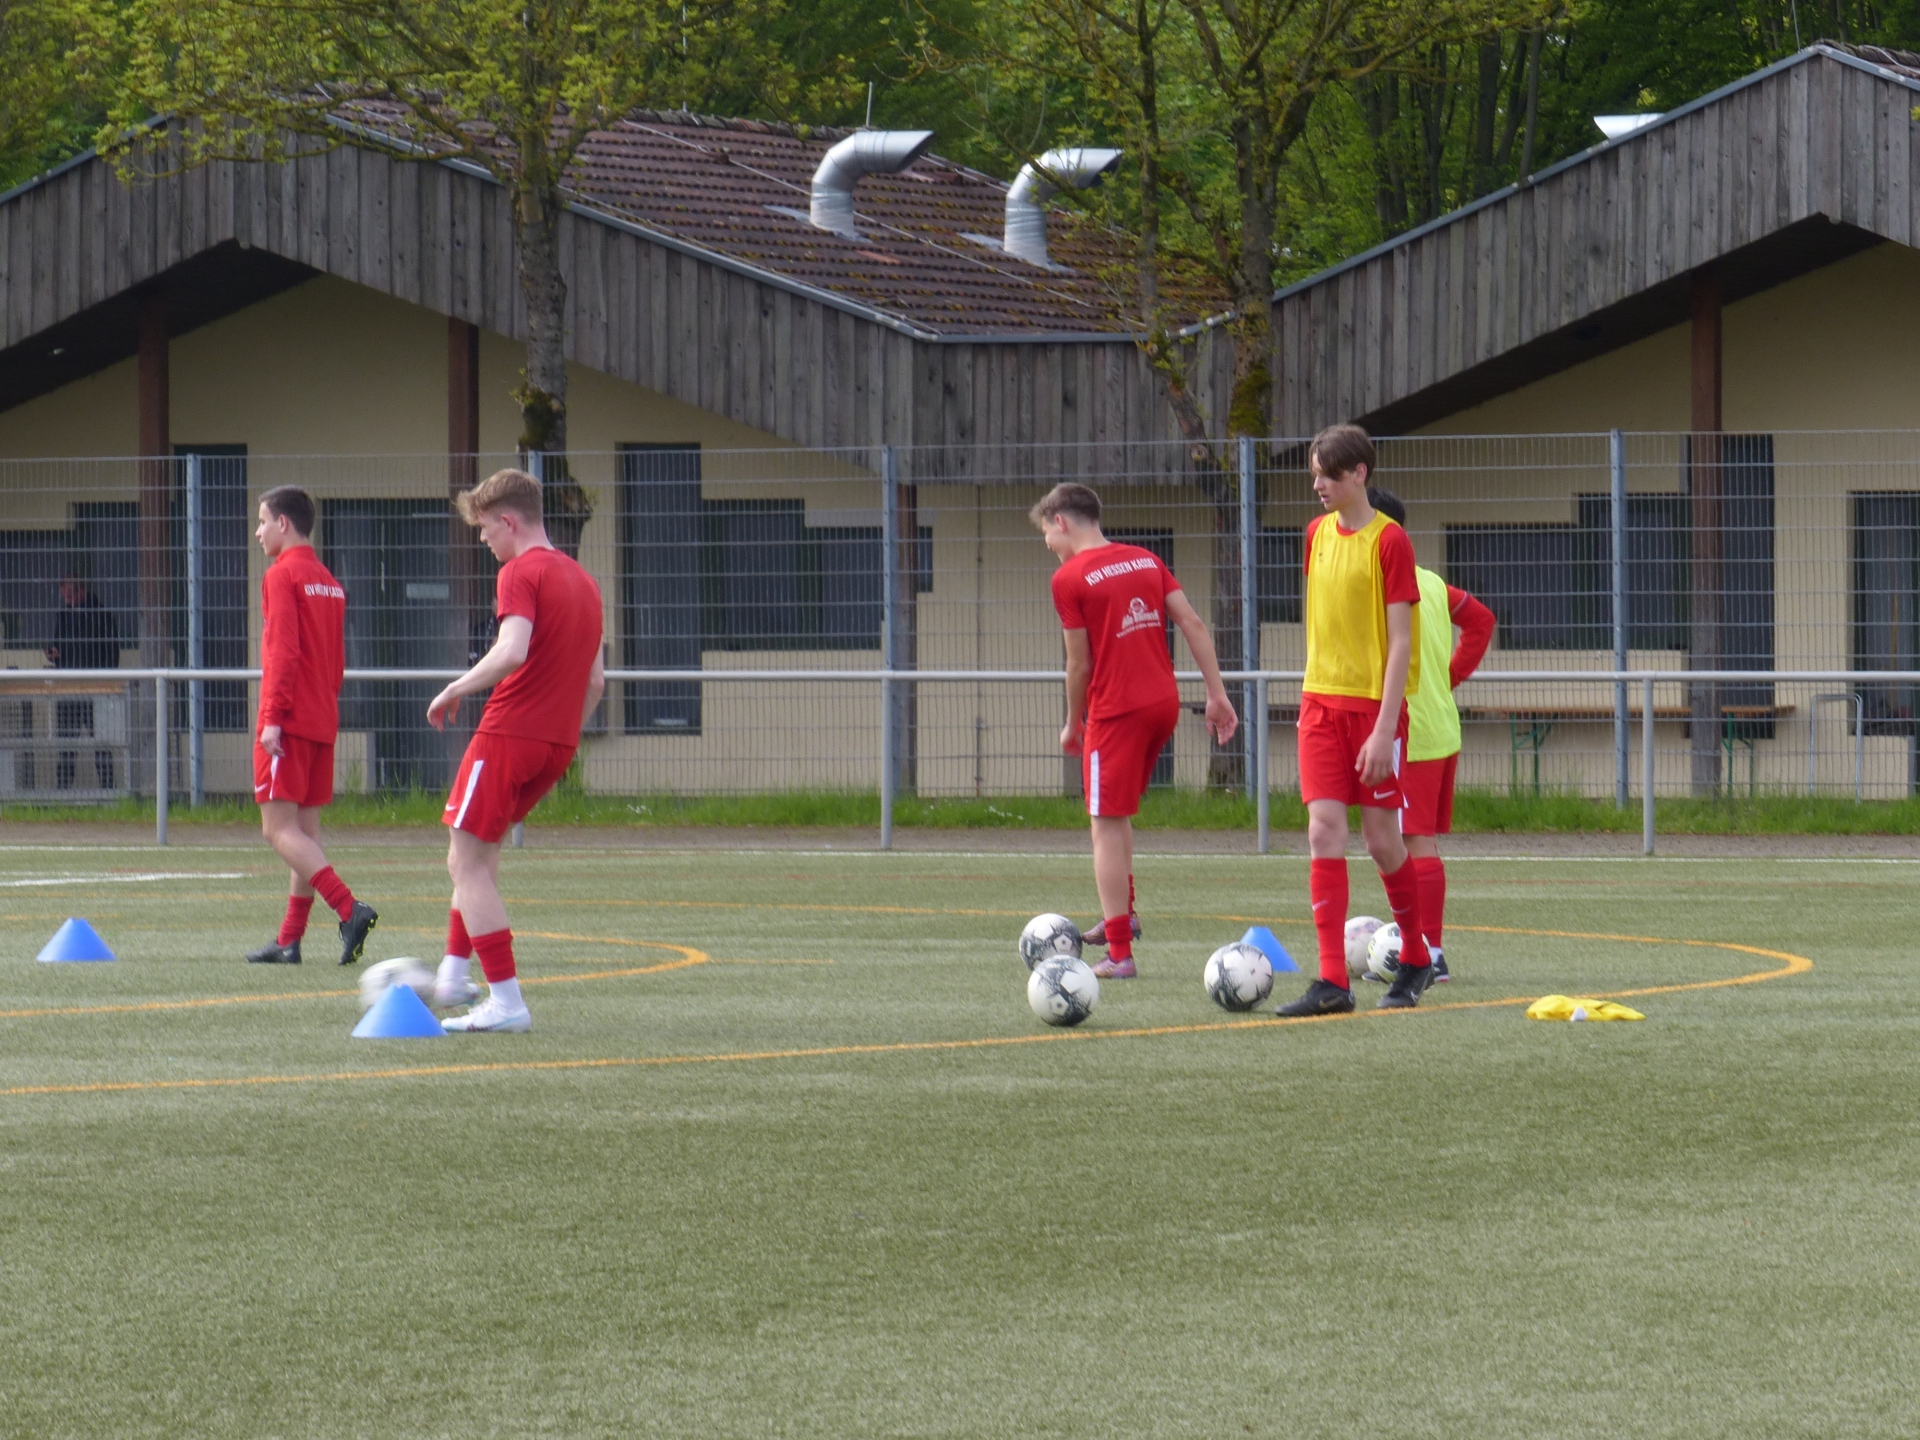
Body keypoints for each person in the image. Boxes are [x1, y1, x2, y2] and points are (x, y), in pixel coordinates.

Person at [1033, 482, 1238, 980]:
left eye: (1046, 534)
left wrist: (1074, 722)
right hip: (1162, 703)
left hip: (1117, 711)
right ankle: (1122, 915)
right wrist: (1216, 694)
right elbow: (1192, 623)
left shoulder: (1069, 577)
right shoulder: (1145, 559)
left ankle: (1120, 953)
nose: (1048, 545)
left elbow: (1078, 664)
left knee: (1103, 823)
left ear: (1061, 521)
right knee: (1117, 813)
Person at [429, 468, 604, 1033]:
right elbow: (596, 681)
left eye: (485, 528)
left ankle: (505, 1002)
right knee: (479, 858)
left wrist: (455, 687)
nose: (483, 540)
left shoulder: (520, 572)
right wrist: (561, 733)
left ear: (508, 521)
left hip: (508, 735)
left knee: (464, 861)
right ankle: (453, 975)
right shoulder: (585, 581)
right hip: (555, 745)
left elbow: (511, 650)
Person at [1276, 424, 1434, 1016]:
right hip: (1319, 704)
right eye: (1314, 475)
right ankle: (1332, 981)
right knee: (1323, 831)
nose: (1318, 485)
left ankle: (1416, 955)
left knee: (1382, 841)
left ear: (1359, 474)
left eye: (1329, 475)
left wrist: (1384, 728)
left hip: (1374, 711)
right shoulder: (1315, 534)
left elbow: (1401, 642)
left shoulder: (1391, 541)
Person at [1365, 488, 1494, 984]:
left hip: (1411, 733)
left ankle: (1430, 953)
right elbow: (1481, 620)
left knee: (1414, 840)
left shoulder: (1383, 586)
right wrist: (1449, 676)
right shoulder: (1433, 583)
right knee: (1411, 839)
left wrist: (1448, 674)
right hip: (1440, 728)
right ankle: (1418, 945)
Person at [245, 486, 377, 966]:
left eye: (263, 521)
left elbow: (283, 651)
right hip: (322, 717)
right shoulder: (328, 581)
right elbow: (336, 660)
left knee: (277, 830)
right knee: (305, 833)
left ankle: (349, 908)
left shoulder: (282, 575)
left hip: (290, 720)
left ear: (284, 524)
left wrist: (272, 718)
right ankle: (289, 939)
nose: (258, 532)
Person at [46, 574, 120, 789]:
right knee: (66, 744)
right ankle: (63, 789)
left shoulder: (100, 616)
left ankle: (107, 789)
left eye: (70, 596)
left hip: (95, 688)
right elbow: (59, 646)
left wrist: (103, 680)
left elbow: (111, 653)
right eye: (64, 597)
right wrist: (54, 655)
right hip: (69, 688)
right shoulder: (64, 616)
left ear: (82, 592)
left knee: (101, 743)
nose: (67, 601)